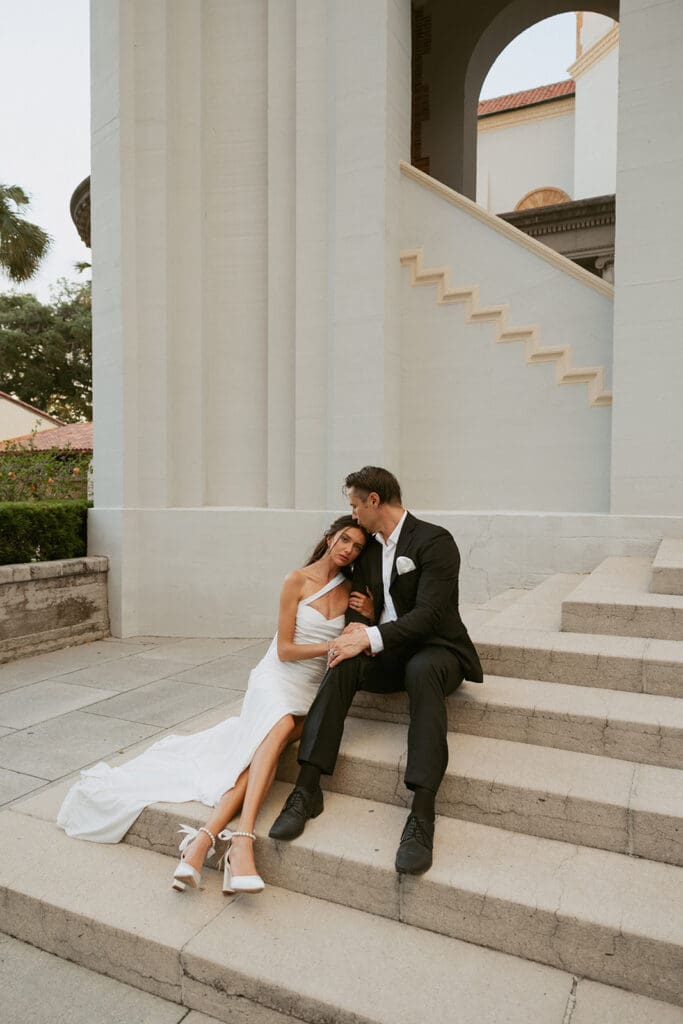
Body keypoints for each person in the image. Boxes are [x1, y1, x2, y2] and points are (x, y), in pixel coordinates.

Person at [57, 515, 371, 895]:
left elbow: (363, 638)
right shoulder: (297, 580)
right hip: (277, 679)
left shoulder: (352, 591)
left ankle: (201, 842)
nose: (348, 550)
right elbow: (286, 650)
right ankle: (242, 841)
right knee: (279, 729)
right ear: (330, 537)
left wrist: (367, 620)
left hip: (310, 692)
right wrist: (333, 645)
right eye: (344, 539)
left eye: (357, 547)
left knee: (260, 752)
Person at [269, 466, 483, 875]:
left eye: (355, 505)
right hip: (389, 651)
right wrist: (357, 628)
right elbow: (347, 590)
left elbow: (430, 615)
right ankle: (307, 789)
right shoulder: (367, 550)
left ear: (373, 501)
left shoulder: (435, 541)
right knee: (344, 659)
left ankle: (422, 814)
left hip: (438, 649)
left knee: (421, 670)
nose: (352, 515)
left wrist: (369, 635)